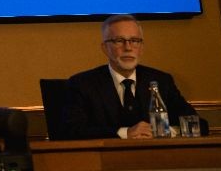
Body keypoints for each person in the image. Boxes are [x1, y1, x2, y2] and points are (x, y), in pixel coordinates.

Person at [61, 14, 202, 140]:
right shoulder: (82, 84)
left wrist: (164, 131)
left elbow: (198, 124)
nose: (128, 47)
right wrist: (125, 133)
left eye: (134, 40)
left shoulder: (161, 81)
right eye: (119, 40)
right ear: (105, 48)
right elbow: (71, 130)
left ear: (141, 47)